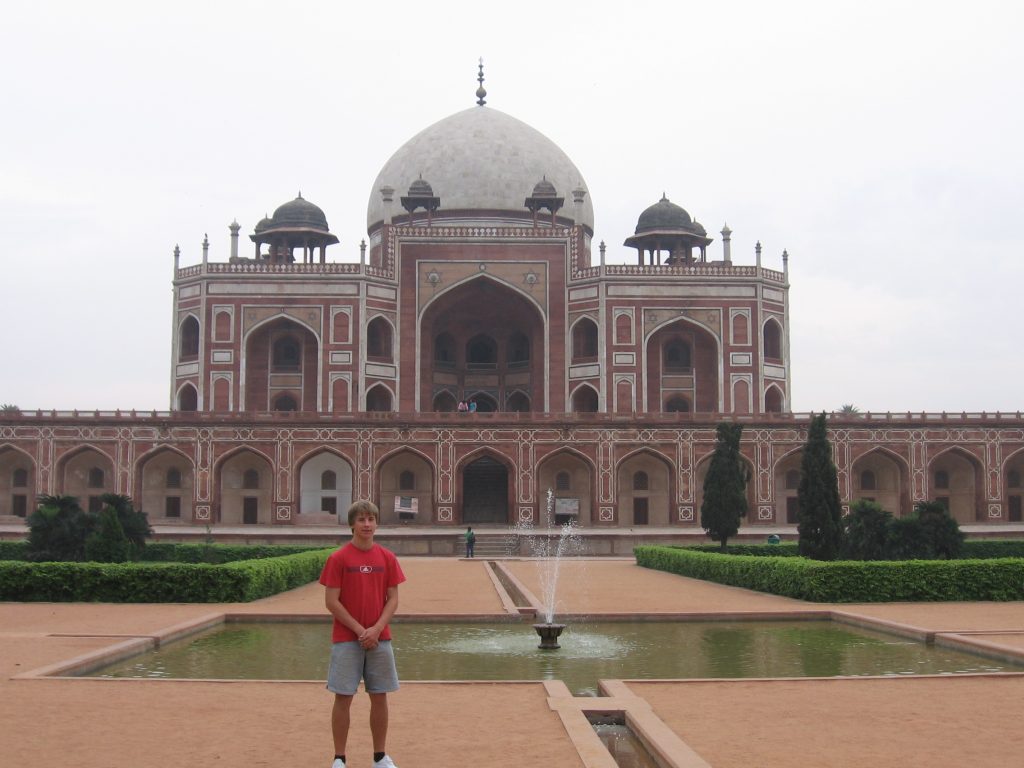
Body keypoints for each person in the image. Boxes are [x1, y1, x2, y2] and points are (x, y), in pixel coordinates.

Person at [320, 500, 406, 768]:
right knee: (343, 697)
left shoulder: (386, 557)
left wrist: (377, 629)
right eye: (361, 520)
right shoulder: (339, 558)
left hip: (380, 637)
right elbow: (331, 601)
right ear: (352, 525)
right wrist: (360, 630)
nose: (366, 524)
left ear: (377, 523)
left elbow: (393, 598)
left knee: (379, 696)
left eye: (371, 519)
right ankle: (339, 758)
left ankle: (380, 756)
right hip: (347, 639)